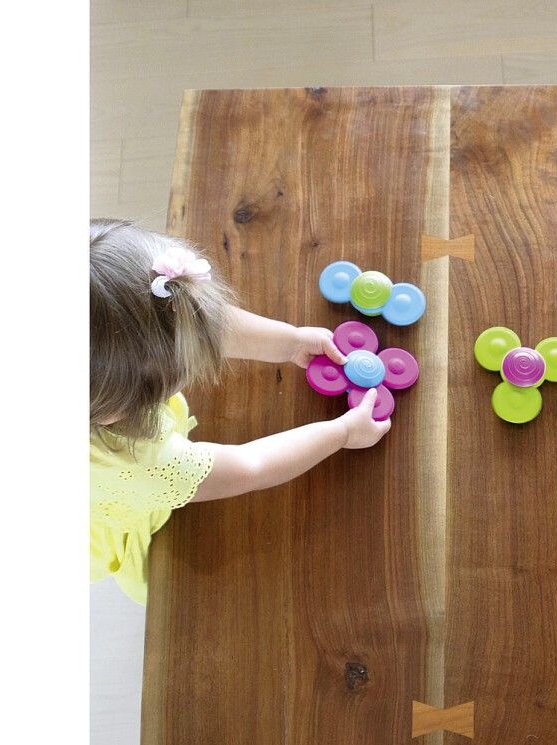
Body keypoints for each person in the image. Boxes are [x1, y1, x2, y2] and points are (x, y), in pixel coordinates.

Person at [90, 219, 391, 604]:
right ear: (123, 407)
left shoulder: (101, 374)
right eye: (188, 363)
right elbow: (252, 466)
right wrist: (342, 432)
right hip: (118, 514)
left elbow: (205, 325)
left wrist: (292, 341)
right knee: (168, 591)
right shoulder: (144, 464)